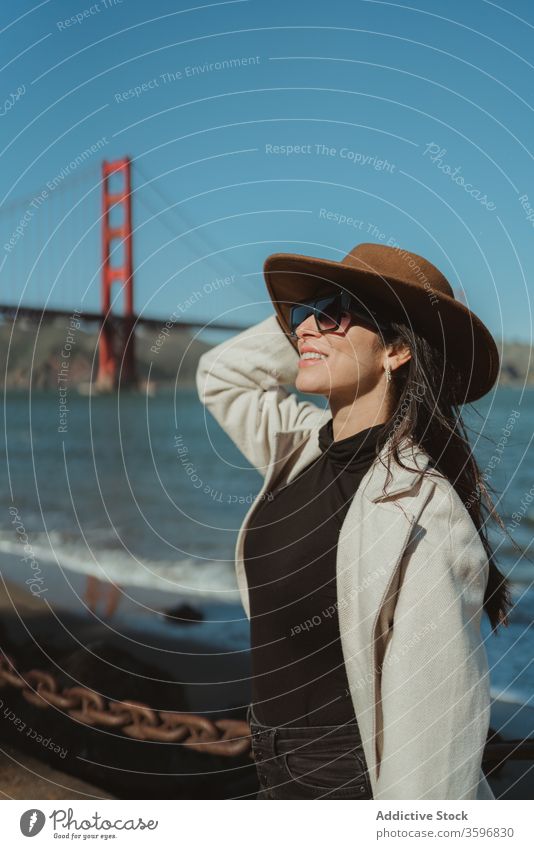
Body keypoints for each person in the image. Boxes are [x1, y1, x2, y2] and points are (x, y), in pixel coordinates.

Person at [196, 241, 512, 800]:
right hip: (271, 767)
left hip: (347, 781)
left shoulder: (419, 508)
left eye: (335, 312)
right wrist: (316, 313)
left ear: (396, 350)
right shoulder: (301, 449)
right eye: (302, 317)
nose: (305, 330)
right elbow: (222, 375)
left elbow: (432, 740)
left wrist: (415, 313)